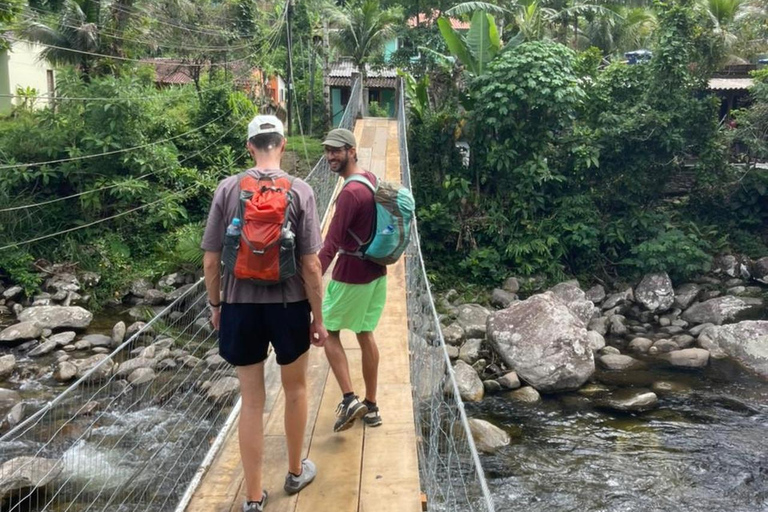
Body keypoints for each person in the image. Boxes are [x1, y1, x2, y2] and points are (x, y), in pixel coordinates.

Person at [201, 115, 328, 512]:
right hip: (290, 306)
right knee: (296, 390)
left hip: (239, 304)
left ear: (249, 146)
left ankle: (253, 498)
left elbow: (210, 261)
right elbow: (310, 265)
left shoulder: (227, 188)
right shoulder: (301, 190)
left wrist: (217, 305)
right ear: (283, 144)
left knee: (252, 401)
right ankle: (294, 471)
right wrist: (319, 318)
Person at [318, 128, 387, 432]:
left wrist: (308, 280)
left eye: (337, 150)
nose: (331, 156)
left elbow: (330, 245)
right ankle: (371, 406)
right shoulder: (370, 179)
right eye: (328, 151)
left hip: (351, 276)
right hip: (376, 271)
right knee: (364, 333)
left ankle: (349, 399)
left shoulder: (348, 194)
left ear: (352, 150)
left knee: (328, 331)